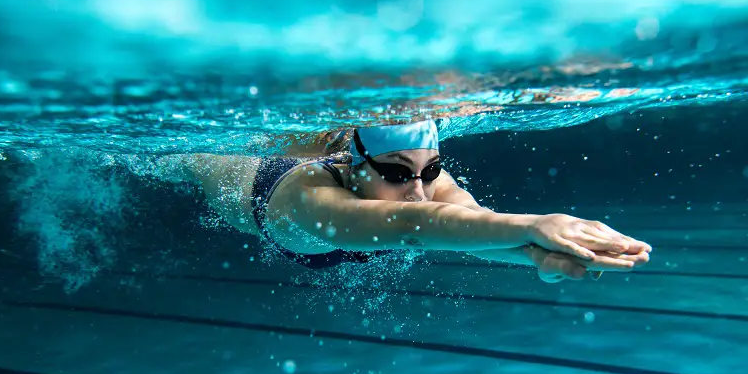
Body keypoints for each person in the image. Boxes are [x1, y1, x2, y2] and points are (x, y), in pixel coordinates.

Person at [163, 119, 651, 283]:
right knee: (184, 161)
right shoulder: (308, 199)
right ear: (355, 166)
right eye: (397, 173)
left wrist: (538, 258)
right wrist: (539, 224)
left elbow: (474, 225)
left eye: (430, 170)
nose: (418, 189)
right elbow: (411, 225)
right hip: (245, 181)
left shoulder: (423, 183)